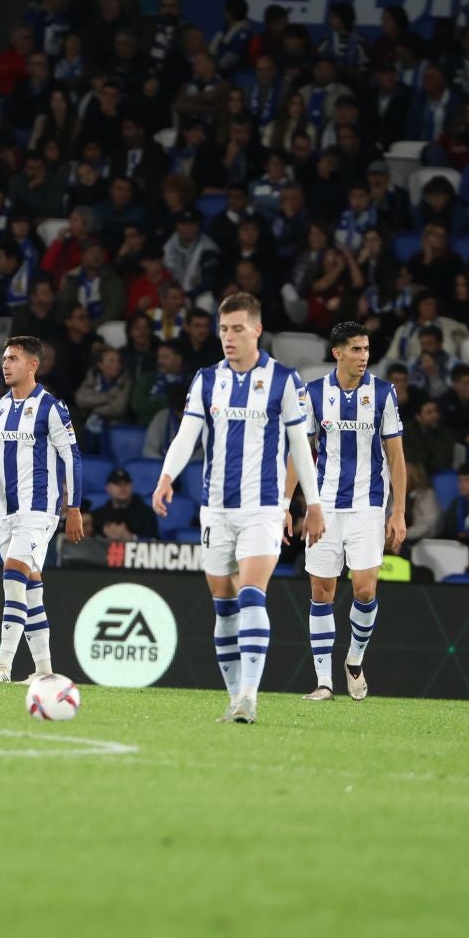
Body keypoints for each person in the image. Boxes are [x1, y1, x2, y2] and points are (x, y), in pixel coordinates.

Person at [153, 293, 327, 721]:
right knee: (223, 603)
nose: (228, 338)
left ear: (256, 330)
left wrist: (313, 502)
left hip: (263, 508)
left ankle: (249, 693)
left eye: (237, 329)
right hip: (215, 511)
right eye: (223, 329)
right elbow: (186, 434)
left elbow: (300, 447)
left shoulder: (284, 380)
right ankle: (235, 699)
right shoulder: (207, 379)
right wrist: (166, 477)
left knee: (251, 593)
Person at [288, 319, 406, 701]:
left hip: (369, 505)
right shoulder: (314, 394)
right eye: (356, 349)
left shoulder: (384, 394)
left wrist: (398, 511)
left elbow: (397, 458)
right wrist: (286, 504)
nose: (363, 357)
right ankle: (323, 682)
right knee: (321, 591)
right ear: (337, 353)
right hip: (324, 506)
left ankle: (354, 659)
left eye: (367, 349)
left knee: (365, 588)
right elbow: (300, 452)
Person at [0, 335, 85, 682]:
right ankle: (44, 671)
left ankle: (3, 665)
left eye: (13, 358)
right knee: (30, 587)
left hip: (39, 511)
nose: (5, 364)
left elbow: (71, 457)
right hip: (6, 513)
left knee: (13, 574)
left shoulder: (51, 407)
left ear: (33, 364)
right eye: (4, 358)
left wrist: (73, 507)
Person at [90, 467, 158, 540]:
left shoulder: (146, 513)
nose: (123, 487)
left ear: (132, 486)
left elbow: (155, 543)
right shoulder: (98, 516)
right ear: (108, 488)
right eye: (118, 484)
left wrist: (131, 537)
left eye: (126, 483)